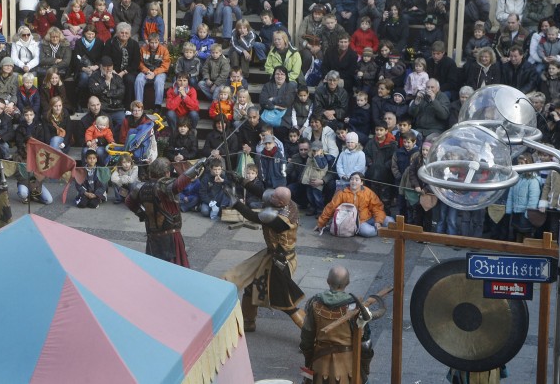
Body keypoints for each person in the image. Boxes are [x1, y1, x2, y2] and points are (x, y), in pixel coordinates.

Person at [223, 183, 306, 331]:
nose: (271, 196)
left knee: (286, 303)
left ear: (280, 202)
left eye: (274, 196)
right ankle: (248, 322)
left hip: (280, 263)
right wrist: (242, 180)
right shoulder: (289, 204)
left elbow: (253, 216)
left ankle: (311, 334)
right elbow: (263, 193)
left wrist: (236, 203)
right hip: (271, 256)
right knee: (251, 287)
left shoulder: (279, 220)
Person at [300, 265, 375, 384]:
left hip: (320, 363)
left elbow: (306, 337)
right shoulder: (355, 307)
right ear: (348, 282)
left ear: (328, 281)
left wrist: (309, 360)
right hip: (349, 366)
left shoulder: (314, 303)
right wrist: (365, 366)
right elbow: (365, 343)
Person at [125, 157, 203, 267]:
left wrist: (142, 214)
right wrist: (196, 167)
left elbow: (129, 201)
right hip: (170, 237)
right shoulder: (164, 186)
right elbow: (177, 185)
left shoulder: (141, 187)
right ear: (167, 173)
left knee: (155, 270)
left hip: (153, 236)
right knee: (175, 270)